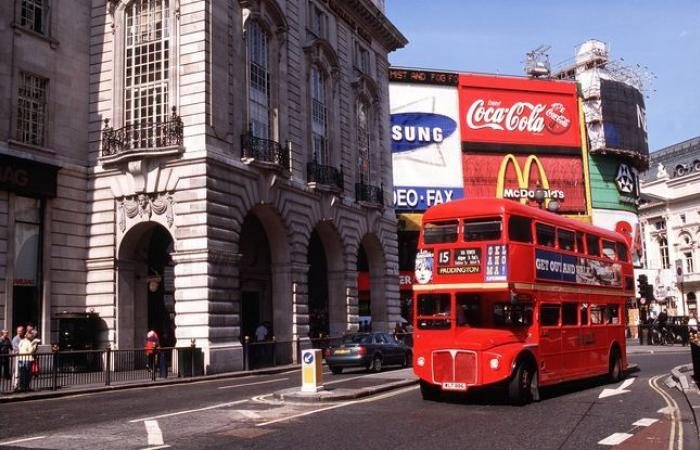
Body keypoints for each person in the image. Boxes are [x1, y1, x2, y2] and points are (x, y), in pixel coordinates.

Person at [11, 326, 25, 390]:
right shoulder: (15, 339)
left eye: (21, 331)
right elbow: (16, 348)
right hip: (17, 356)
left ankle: (20, 385)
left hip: (22, 357)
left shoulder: (24, 338)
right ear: (17, 331)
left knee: (21, 371)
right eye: (19, 331)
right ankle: (15, 386)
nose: (20, 332)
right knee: (16, 371)